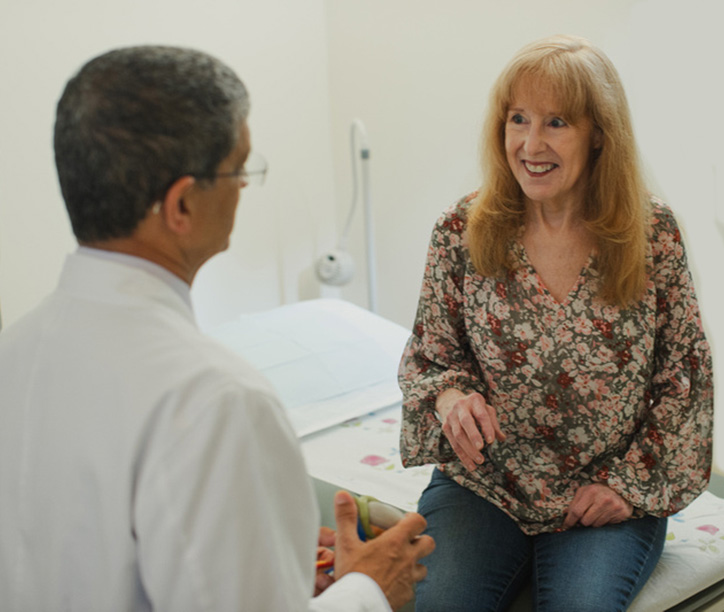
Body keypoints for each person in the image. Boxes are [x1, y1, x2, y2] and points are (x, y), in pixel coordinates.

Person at [0, 45, 433, 612]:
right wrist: (370, 587)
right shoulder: (218, 401)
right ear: (181, 204)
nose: (244, 188)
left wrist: (268, 575)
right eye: (240, 168)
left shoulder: (15, 354)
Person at [398, 34, 713, 612]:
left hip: (601, 492)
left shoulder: (651, 235)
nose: (530, 143)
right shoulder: (460, 229)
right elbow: (430, 356)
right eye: (518, 119)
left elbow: (683, 381)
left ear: (599, 135)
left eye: (556, 122)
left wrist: (627, 485)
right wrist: (449, 399)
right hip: (484, 485)